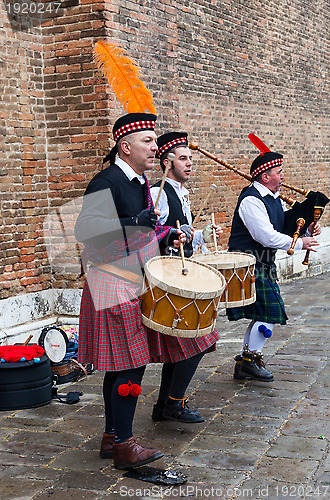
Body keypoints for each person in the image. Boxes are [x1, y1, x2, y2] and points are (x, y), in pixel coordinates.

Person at [74, 113, 185, 469]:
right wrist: (132, 223)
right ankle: (125, 445)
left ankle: (112, 437)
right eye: (148, 141)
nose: (156, 147)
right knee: (131, 365)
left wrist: (164, 234)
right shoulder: (106, 181)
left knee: (123, 365)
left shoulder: (139, 182)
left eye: (154, 141)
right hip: (111, 279)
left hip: (129, 278)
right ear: (126, 146)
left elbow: (142, 228)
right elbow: (86, 229)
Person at [226, 135, 321, 382]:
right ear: (265, 176)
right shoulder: (251, 200)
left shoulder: (272, 199)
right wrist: (299, 243)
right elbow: (266, 236)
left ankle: (247, 360)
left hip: (262, 262)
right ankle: (249, 360)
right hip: (248, 263)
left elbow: (283, 227)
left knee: (264, 314)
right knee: (268, 314)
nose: (283, 176)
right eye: (279, 172)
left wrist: (308, 229)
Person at [148, 131, 223, 424]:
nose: (190, 164)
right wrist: (170, 240)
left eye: (191, 158)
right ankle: (173, 404)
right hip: (168, 282)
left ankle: (164, 406)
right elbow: (150, 237)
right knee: (197, 341)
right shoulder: (159, 193)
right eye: (183, 159)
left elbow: (184, 235)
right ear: (167, 165)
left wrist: (202, 234)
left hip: (183, 276)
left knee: (181, 348)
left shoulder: (180, 193)